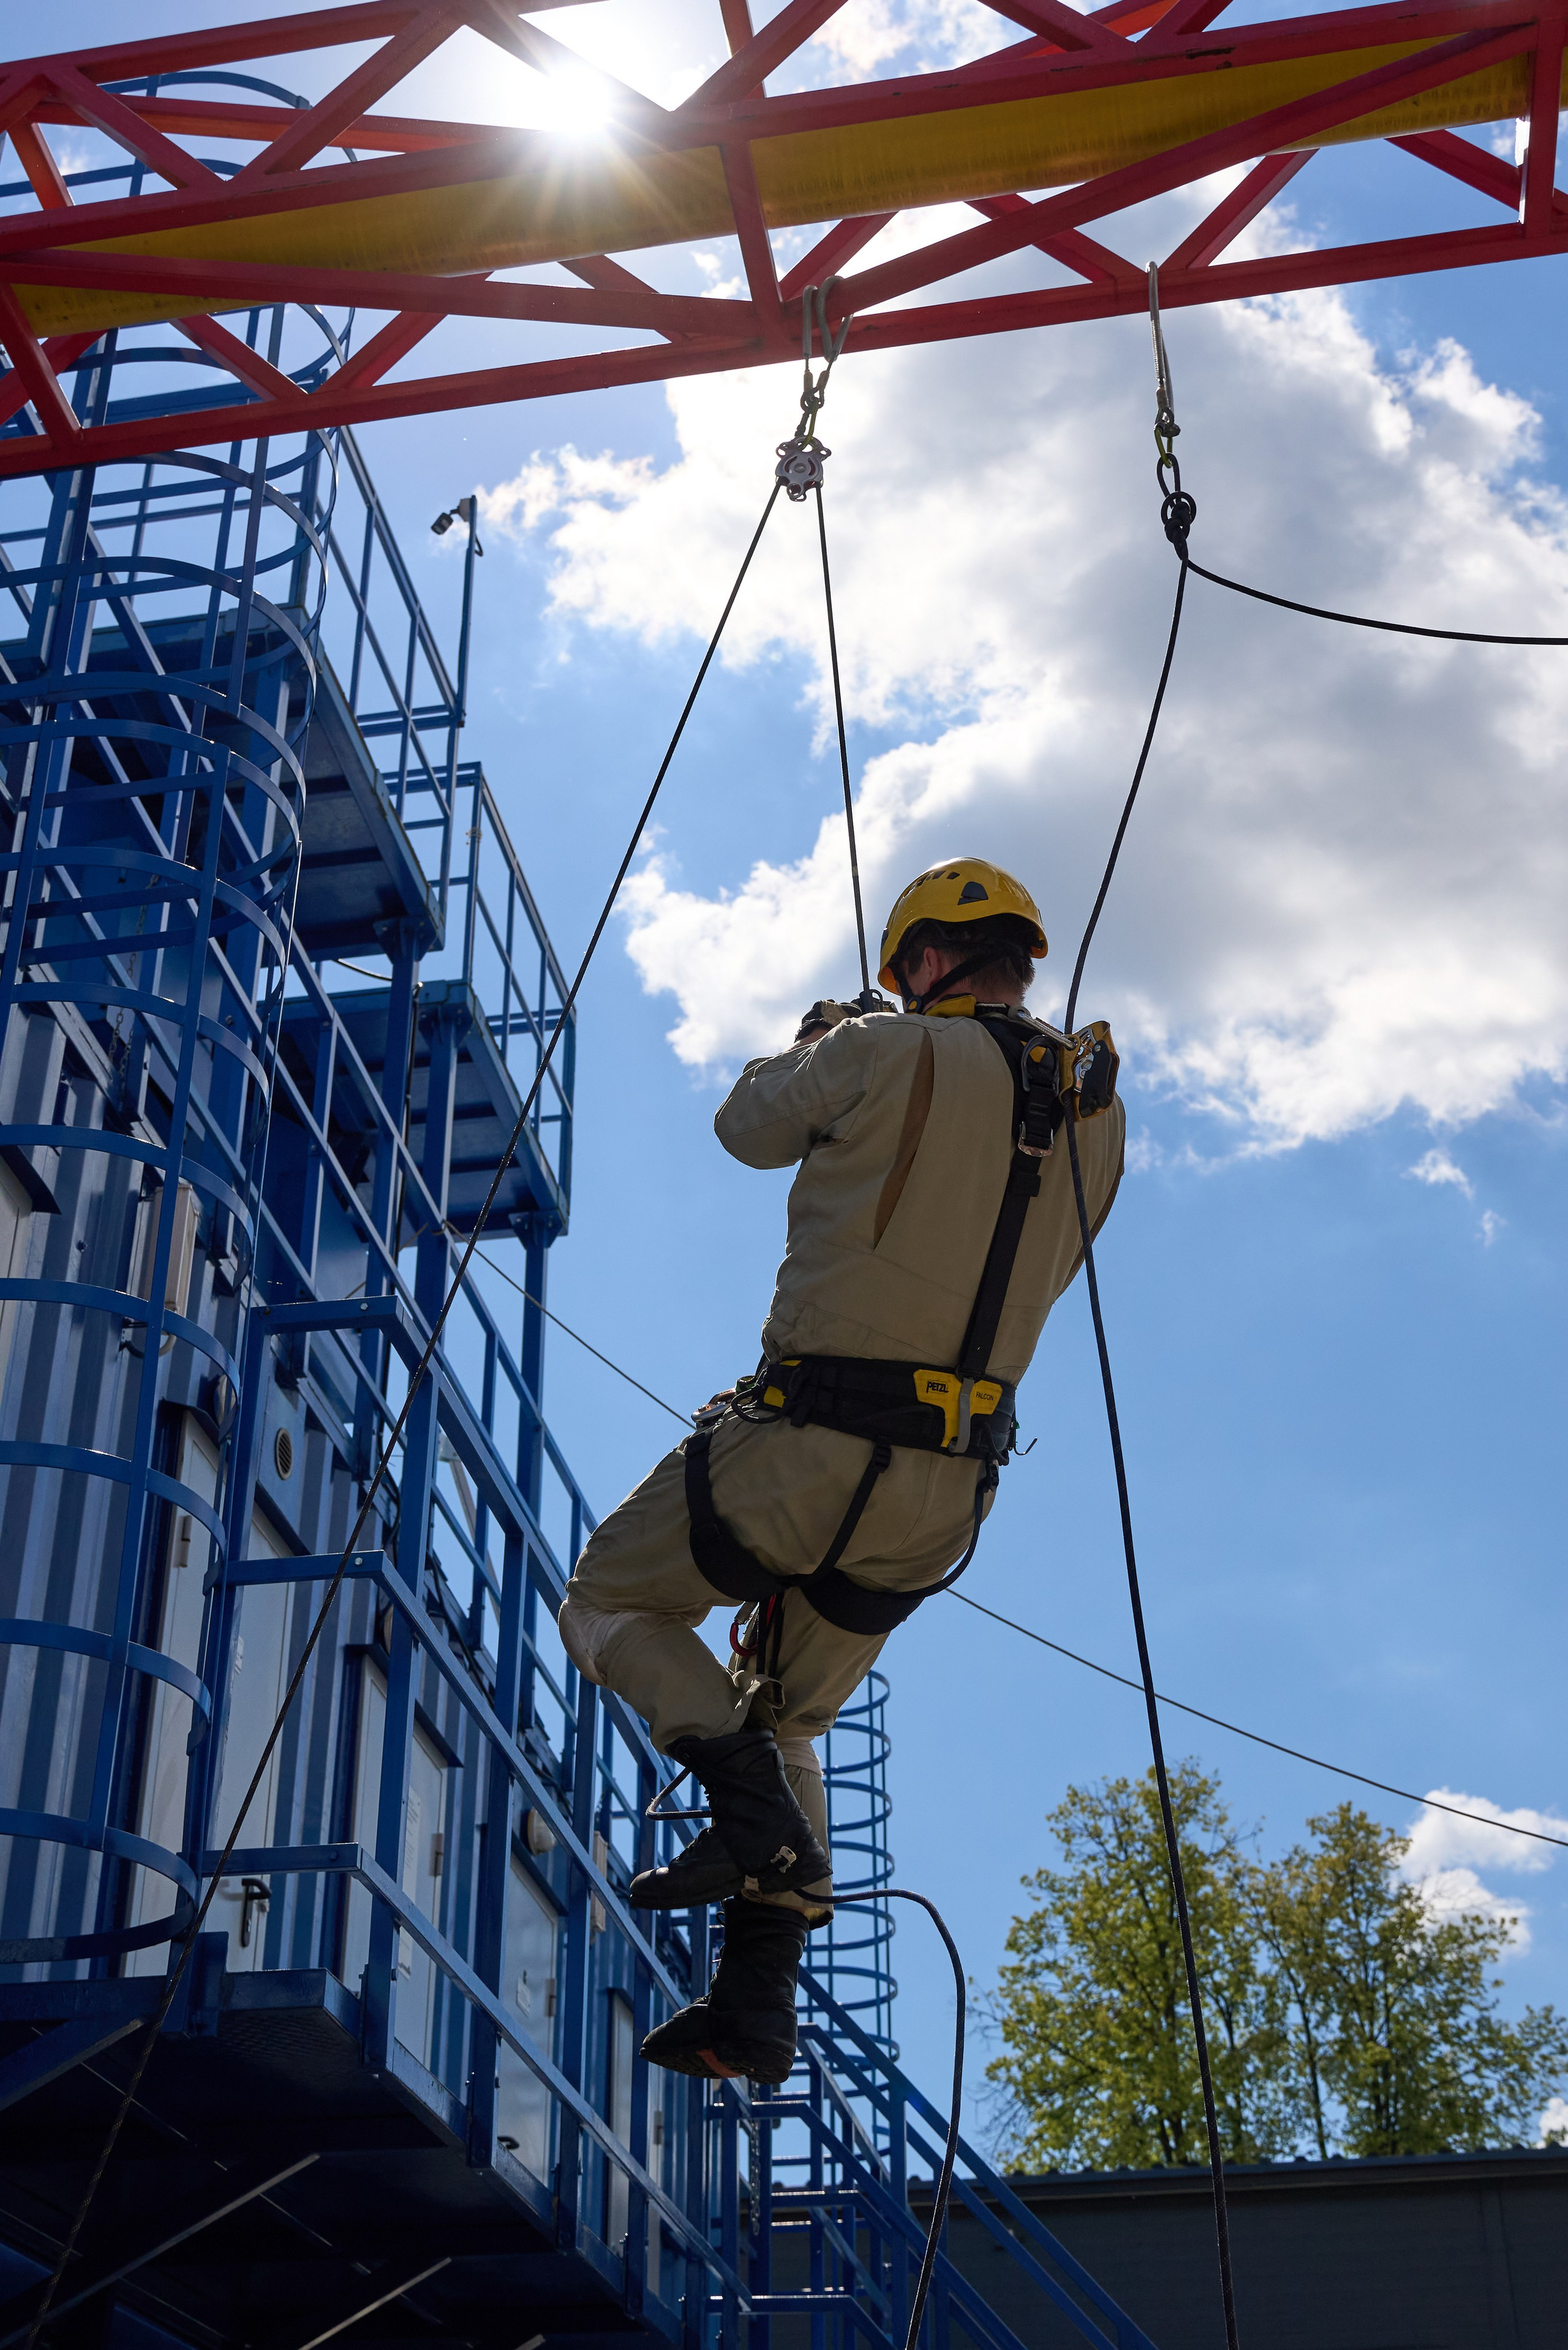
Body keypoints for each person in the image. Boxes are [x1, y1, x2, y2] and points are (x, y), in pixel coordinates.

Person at [557, 857, 1125, 2084]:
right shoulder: (1091, 1103)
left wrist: (831, 1035)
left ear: (921, 957)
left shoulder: (883, 1046)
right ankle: (753, 2004)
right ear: (1020, 956)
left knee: (609, 1602)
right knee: (793, 1709)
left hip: (804, 1442)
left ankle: (746, 1810)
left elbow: (743, 1126)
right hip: (944, 1489)